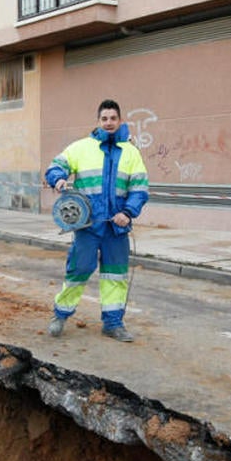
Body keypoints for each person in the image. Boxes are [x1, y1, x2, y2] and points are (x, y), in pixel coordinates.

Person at [44, 99, 149, 342]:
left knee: (115, 276)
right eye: (105, 118)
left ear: (120, 121)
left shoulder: (132, 153)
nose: (109, 122)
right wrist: (58, 179)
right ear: (98, 121)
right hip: (88, 226)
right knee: (78, 271)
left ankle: (113, 324)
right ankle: (60, 315)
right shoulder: (81, 148)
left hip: (117, 227)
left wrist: (128, 213)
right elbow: (55, 167)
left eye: (113, 118)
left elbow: (140, 188)